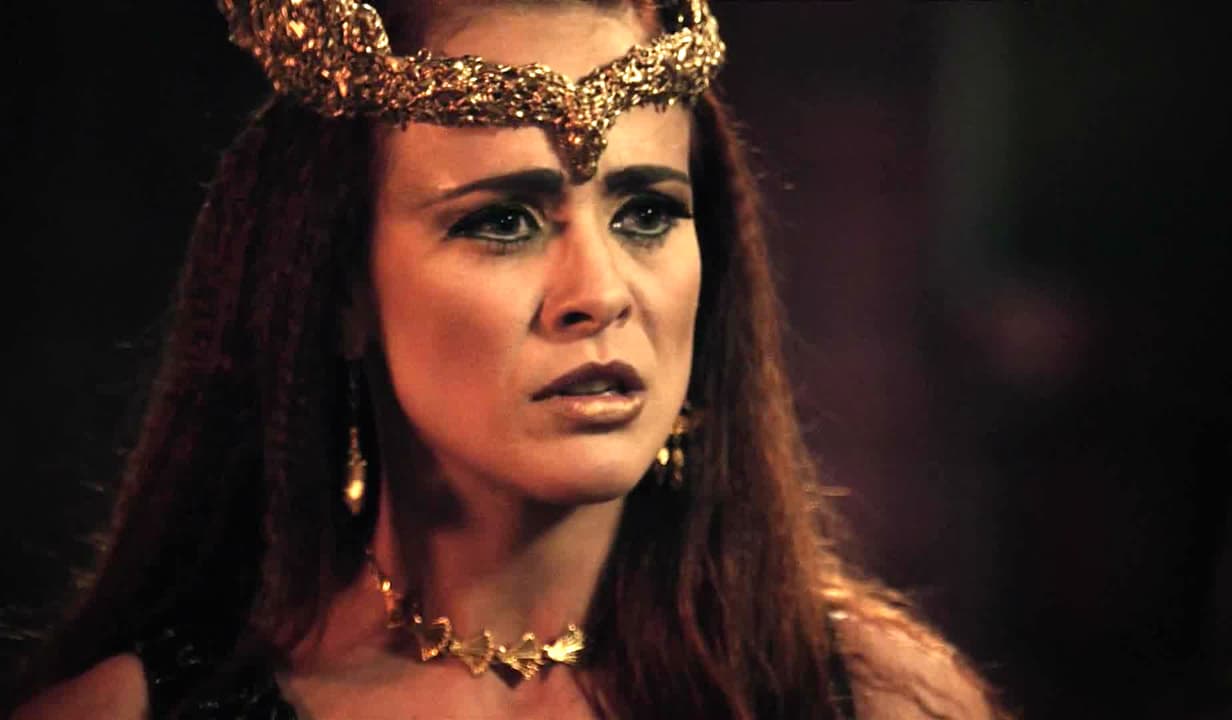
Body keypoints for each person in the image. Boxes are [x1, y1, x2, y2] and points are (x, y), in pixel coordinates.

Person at [14, 0, 1004, 717]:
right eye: (503, 221)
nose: (599, 293)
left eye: (646, 212)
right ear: (342, 290)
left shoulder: (867, 700)